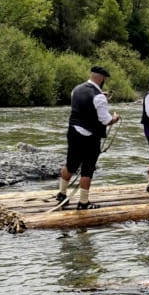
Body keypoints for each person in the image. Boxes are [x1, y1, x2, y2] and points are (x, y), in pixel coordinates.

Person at [57, 65, 120, 210]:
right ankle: (83, 202)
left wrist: (100, 96)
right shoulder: (99, 97)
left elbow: (85, 102)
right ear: (102, 78)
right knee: (88, 168)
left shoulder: (76, 89)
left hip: (73, 131)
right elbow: (106, 120)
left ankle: (61, 194)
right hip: (90, 137)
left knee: (70, 164)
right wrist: (115, 118)